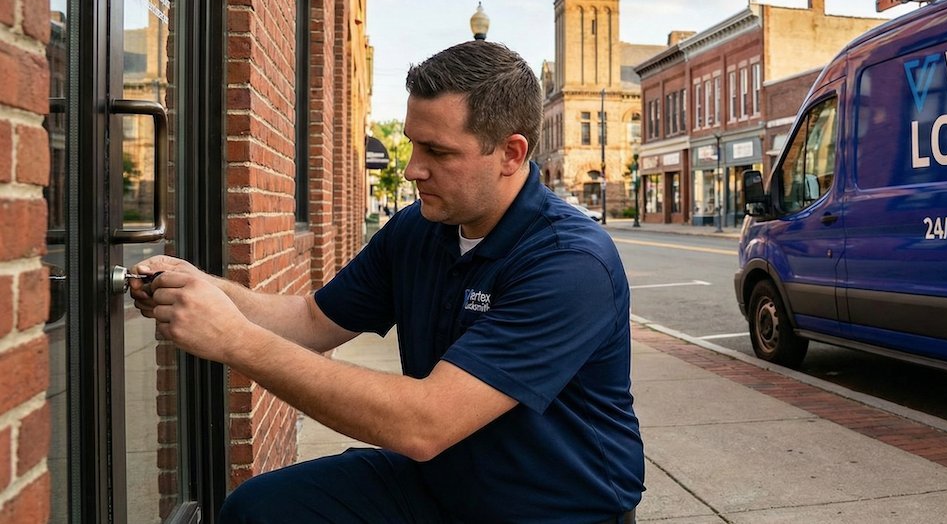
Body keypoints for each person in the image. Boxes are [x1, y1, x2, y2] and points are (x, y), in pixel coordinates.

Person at [128, 40, 644, 523]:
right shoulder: (420, 228)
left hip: (553, 507)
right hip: (440, 482)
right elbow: (311, 320)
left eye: (438, 152)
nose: (412, 170)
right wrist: (208, 290)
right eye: (412, 145)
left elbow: (424, 424)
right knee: (258, 509)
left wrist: (235, 341)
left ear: (510, 153)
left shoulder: (569, 262)